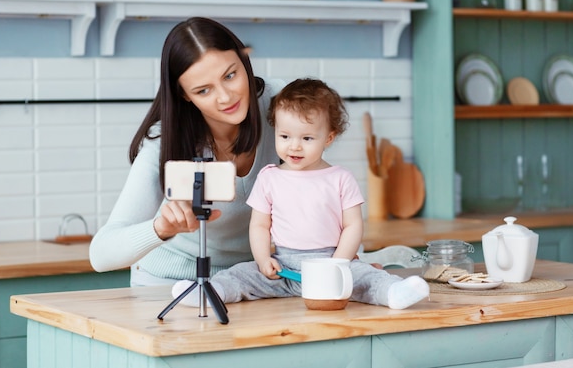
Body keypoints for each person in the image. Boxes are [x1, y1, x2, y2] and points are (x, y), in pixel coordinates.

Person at [172, 78, 430, 309]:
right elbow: (260, 226)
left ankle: (394, 292)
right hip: (284, 267)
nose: (293, 146)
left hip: (333, 262)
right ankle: (208, 292)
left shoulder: (341, 178)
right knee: (239, 274)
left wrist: (338, 264)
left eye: (307, 139)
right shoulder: (269, 177)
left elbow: (353, 226)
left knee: (367, 277)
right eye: (285, 136)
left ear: (328, 138)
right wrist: (263, 260)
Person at [89, 17, 285, 286]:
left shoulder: (280, 105)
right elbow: (101, 255)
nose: (226, 97)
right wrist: (162, 228)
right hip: (168, 282)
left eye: (230, 75)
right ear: (185, 96)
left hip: (251, 281)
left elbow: (324, 189)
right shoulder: (164, 140)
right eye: (204, 90)